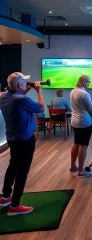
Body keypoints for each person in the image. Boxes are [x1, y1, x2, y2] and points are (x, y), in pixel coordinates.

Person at [0, 72, 45, 216]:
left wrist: (27, 89)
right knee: (22, 172)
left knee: (13, 165)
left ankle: (5, 197)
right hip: (25, 139)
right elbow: (41, 108)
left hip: (12, 138)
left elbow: (19, 95)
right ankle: (15, 206)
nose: (28, 83)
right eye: (25, 82)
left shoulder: (4, 96)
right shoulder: (21, 99)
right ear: (20, 85)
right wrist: (39, 91)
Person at [70, 75, 92, 178]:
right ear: (83, 82)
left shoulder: (73, 91)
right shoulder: (84, 94)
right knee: (84, 146)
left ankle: (73, 166)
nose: (89, 84)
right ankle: (81, 171)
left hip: (74, 122)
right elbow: (90, 109)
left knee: (76, 143)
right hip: (84, 122)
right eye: (88, 82)